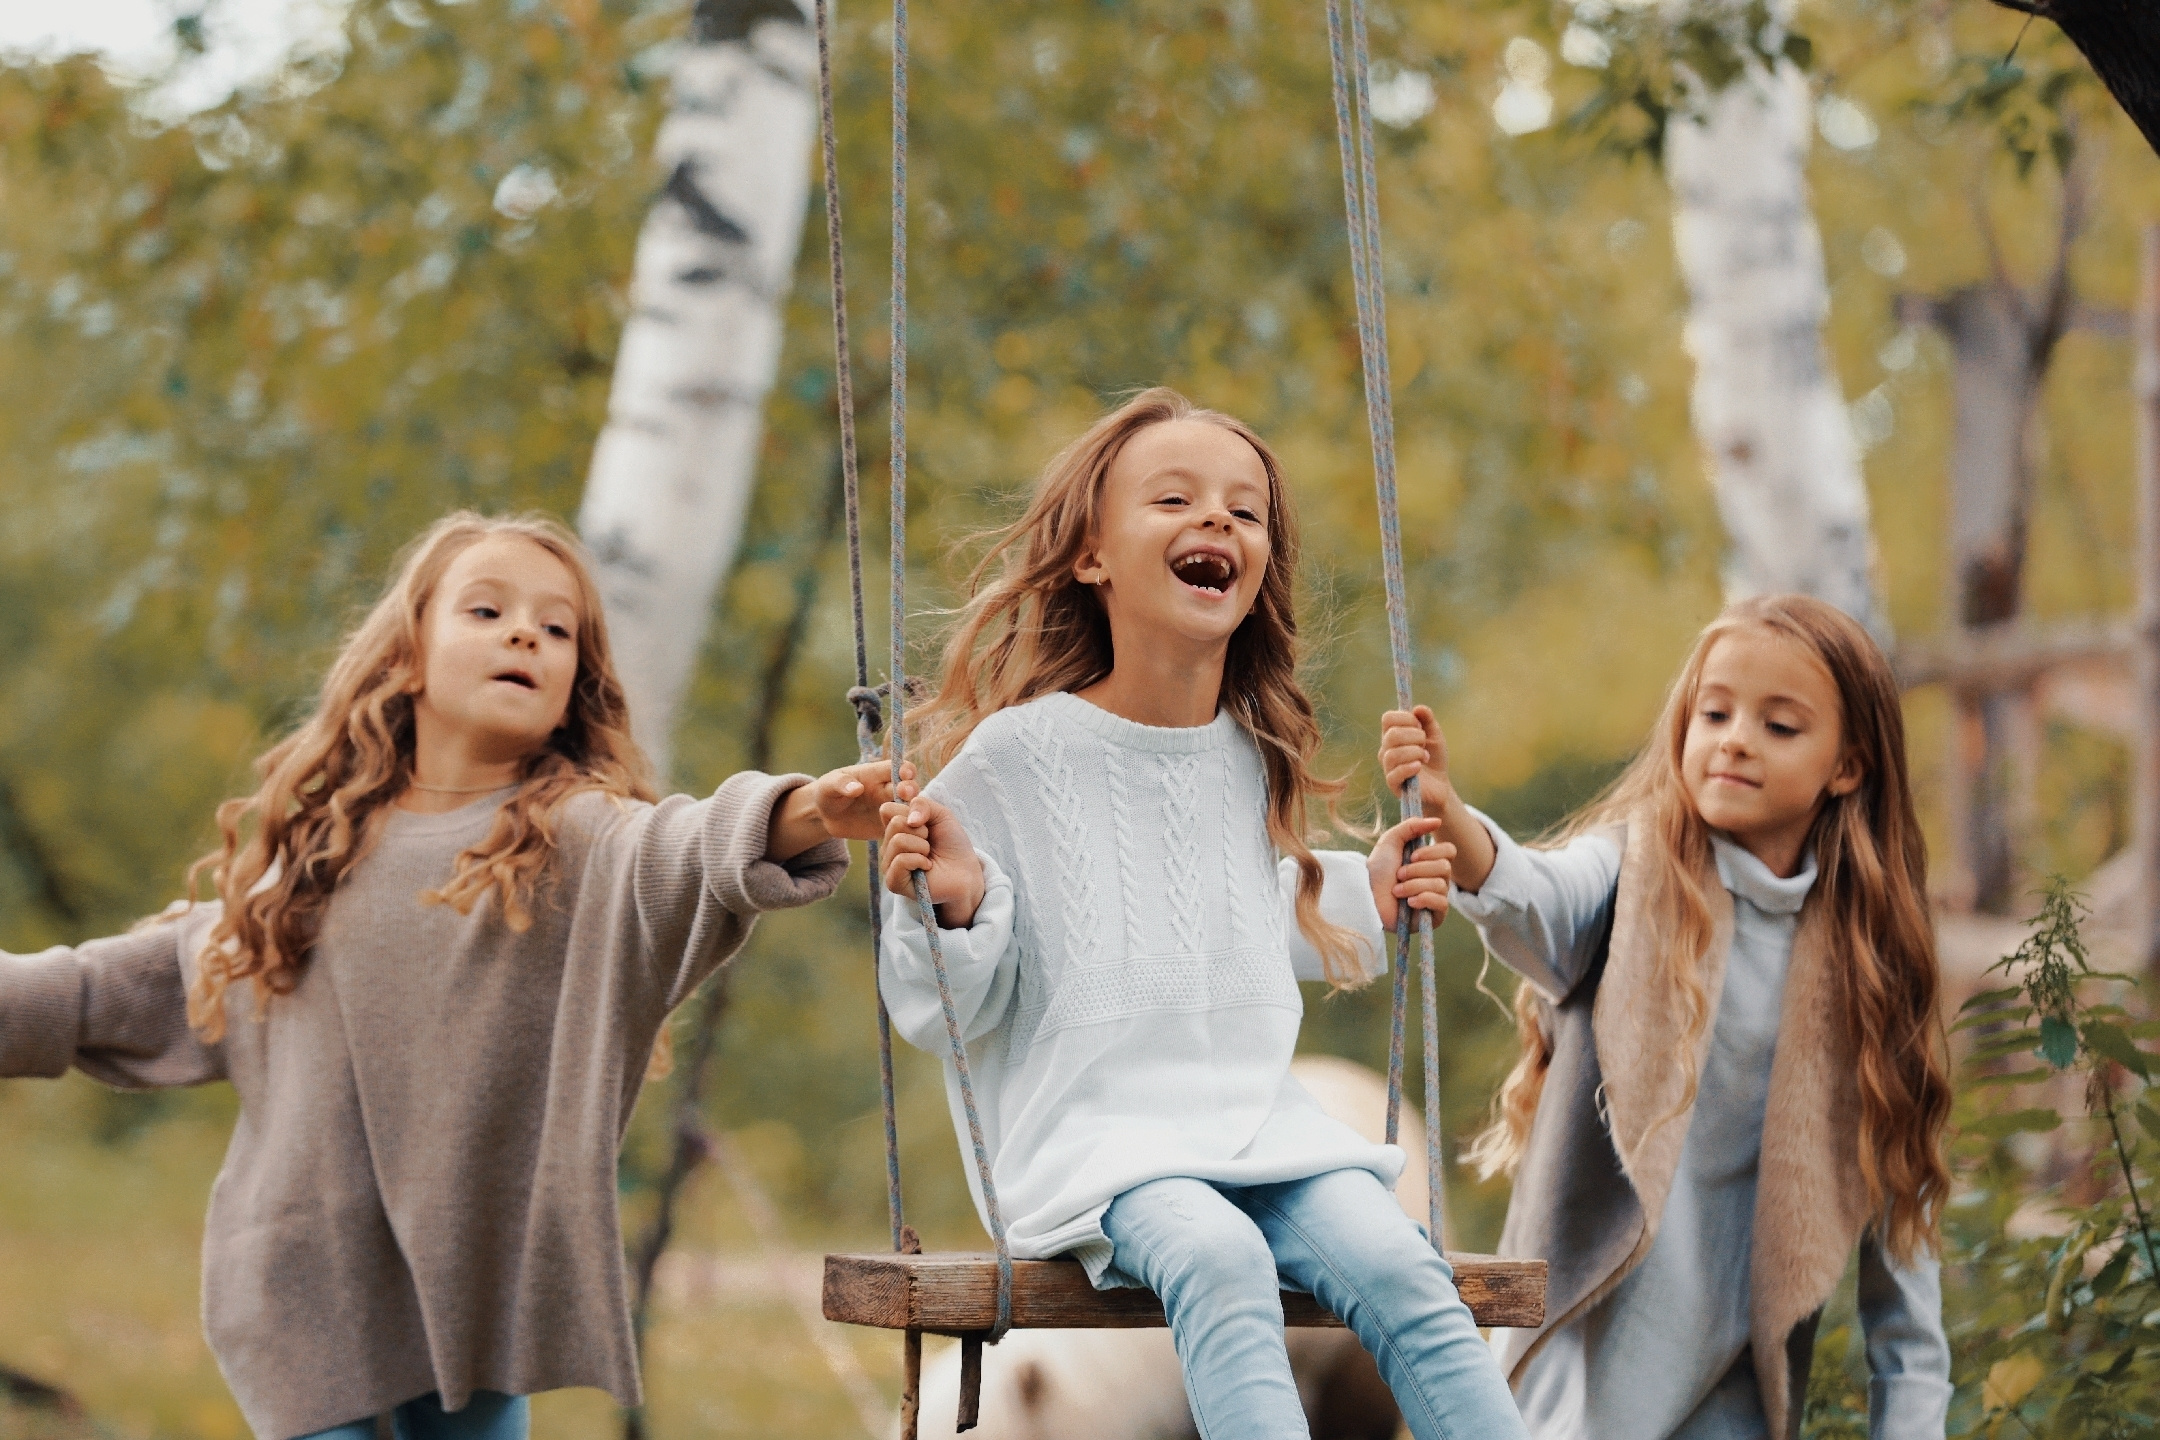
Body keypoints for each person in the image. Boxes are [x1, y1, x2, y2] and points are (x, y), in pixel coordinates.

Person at [0, 512, 902, 1440]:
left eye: (558, 631)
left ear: (571, 691)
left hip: (478, 1291)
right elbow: (104, 989)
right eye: (487, 610)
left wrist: (806, 809)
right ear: (409, 658)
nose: (525, 634)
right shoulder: (309, 868)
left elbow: (679, 848)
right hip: (305, 1288)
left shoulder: (575, 839)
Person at [875, 387, 1527, 1440]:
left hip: (1253, 1122)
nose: (1218, 521)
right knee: (1220, 1261)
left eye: (1246, 510)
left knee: (1404, 1264)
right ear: (1091, 555)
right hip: (1098, 1144)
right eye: (1173, 498)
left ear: (1259, 563)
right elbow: (941, 1004)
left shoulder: (1243, 750)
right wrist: (954, 908)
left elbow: (1241, 931)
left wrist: (1376, 890)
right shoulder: (1014, 758)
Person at [1378, 593, 1953, 1440]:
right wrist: (1451, 815)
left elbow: (1906, 1280)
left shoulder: (1867, 972)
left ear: (1848, 767)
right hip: (1573, 1378)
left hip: (1733, 1395)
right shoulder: (1631, 872)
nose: (1735, 739)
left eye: (1780, 726)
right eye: (1714, 713)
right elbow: (1535, 898)